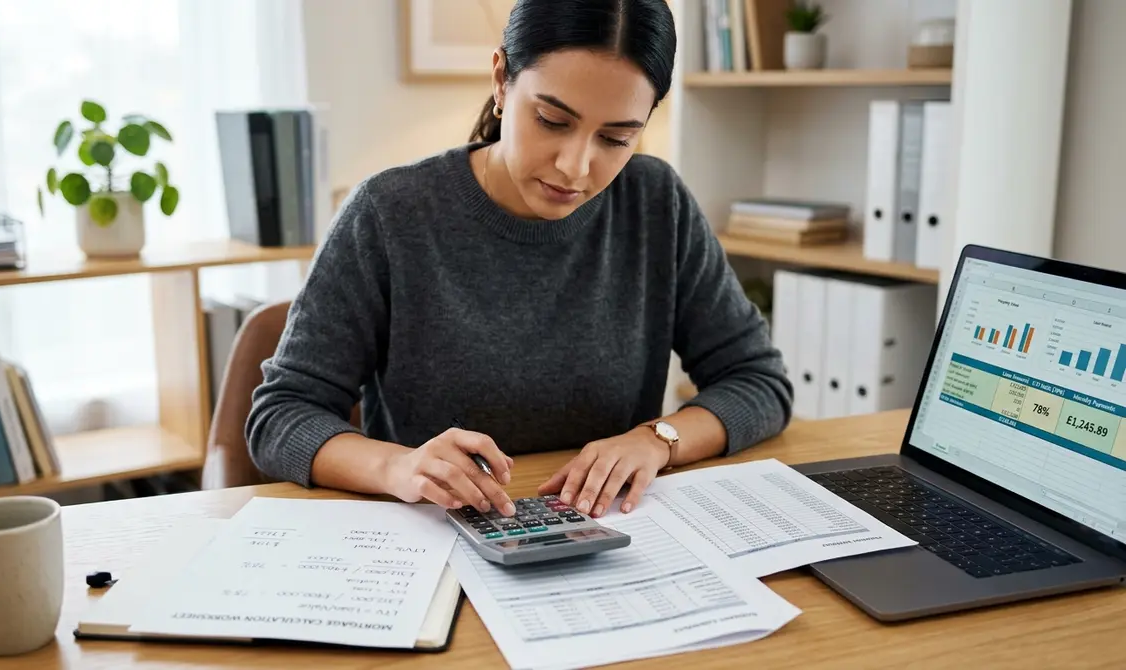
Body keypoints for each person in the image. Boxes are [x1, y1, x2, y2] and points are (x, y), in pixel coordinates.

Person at [246, 0, 792, 521]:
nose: (576, 168)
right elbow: (281, 417)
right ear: (501, 80)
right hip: (437, 541)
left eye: (617, 137)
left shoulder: (656, 204)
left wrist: (657, 440)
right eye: (553, 120)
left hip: (607, 536)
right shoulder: (390, 214)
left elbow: (757, 380)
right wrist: (398, 466)